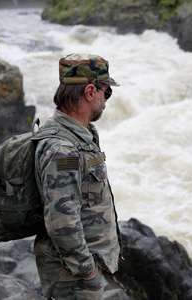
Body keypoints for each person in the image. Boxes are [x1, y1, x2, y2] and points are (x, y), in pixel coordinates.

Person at [34, 53, 122, 299]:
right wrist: (88, 270)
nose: (106, 101)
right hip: (73, 276)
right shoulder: (63, 149)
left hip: (76, 269)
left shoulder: (79, 134)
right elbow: (61, 218)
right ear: (90, 92)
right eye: (107, 92)